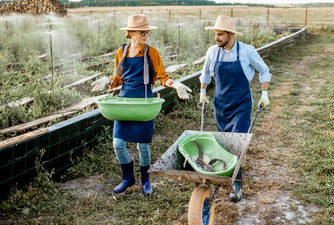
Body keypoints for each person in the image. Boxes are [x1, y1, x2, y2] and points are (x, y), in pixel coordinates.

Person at [91, 14, 191, 196]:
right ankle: (128, 178)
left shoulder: (151, 52)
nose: (145, 34)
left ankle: (146, 180)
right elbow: (119, 77)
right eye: (141, 32)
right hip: (125, 101)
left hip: (143, 101)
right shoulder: (121, 52)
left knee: (142, 145)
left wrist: (174, 84)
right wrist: (107, 80)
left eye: (147, 32)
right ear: (131, 33)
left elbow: (162, 77)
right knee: (118, 143)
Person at [198, 15, 271, 201]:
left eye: (220, 34)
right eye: (215, 34)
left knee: (237, 144)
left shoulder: (247, 51)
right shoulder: (213, 52)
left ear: (231, 34)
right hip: (220, 104)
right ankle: (225, 174)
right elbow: (205, 73)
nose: (217, 38)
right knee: (223, 143)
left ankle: (237, 185)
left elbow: (264, 70)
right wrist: (203, 91)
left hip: (241, 105)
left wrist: (264, 94)